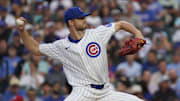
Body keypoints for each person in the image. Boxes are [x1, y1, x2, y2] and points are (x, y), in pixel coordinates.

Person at [16, 6, 144, 101]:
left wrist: (137, 33)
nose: (85, 19)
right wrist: (22, 32)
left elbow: (121, 24)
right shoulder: (61, 46)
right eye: (81, 18)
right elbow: (35, 49)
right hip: (83, 92)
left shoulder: (97, 34)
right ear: (71, 22)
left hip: (106, 91)